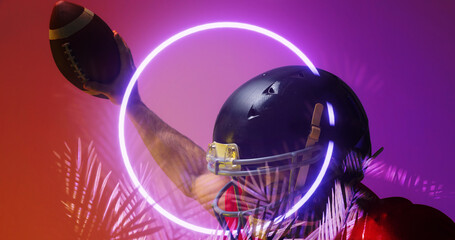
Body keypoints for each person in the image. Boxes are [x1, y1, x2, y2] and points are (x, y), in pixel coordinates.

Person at [83, 32, 455, 239]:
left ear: (316, 163)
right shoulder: (268, 219)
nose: (238, 186)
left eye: (256, 171)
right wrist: (129, 102)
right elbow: (196, 175)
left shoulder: (388, 231)